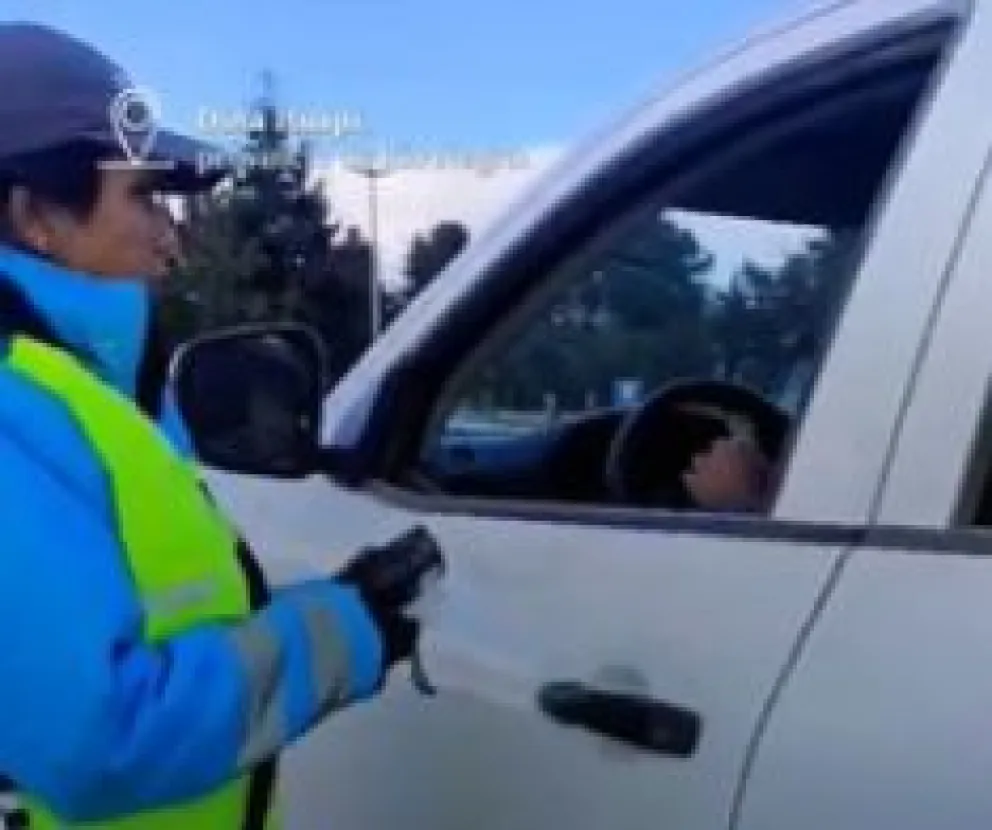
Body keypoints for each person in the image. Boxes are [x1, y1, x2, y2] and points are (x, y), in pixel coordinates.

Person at [0, 21, 443, 830]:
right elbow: (101, 738)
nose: (170, 237)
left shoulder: (85, 389)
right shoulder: (16, 412)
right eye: (143, 196)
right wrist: (343, 630)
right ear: (36, 216)